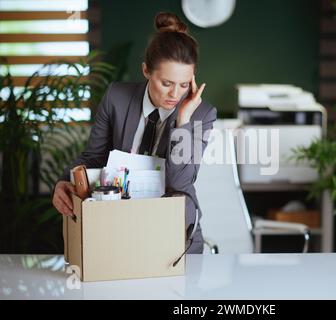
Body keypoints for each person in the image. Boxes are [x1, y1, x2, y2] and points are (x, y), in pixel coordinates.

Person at [52, 12, 217, 254]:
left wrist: (183, 122)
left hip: (174, 234)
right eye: (167, 83)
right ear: (146, 71)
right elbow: (94, 158)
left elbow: (179, 183)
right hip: (119, 227)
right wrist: (65, 181)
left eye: (183, 85)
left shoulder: (202, 114)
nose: (175, 94)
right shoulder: (116, 97)